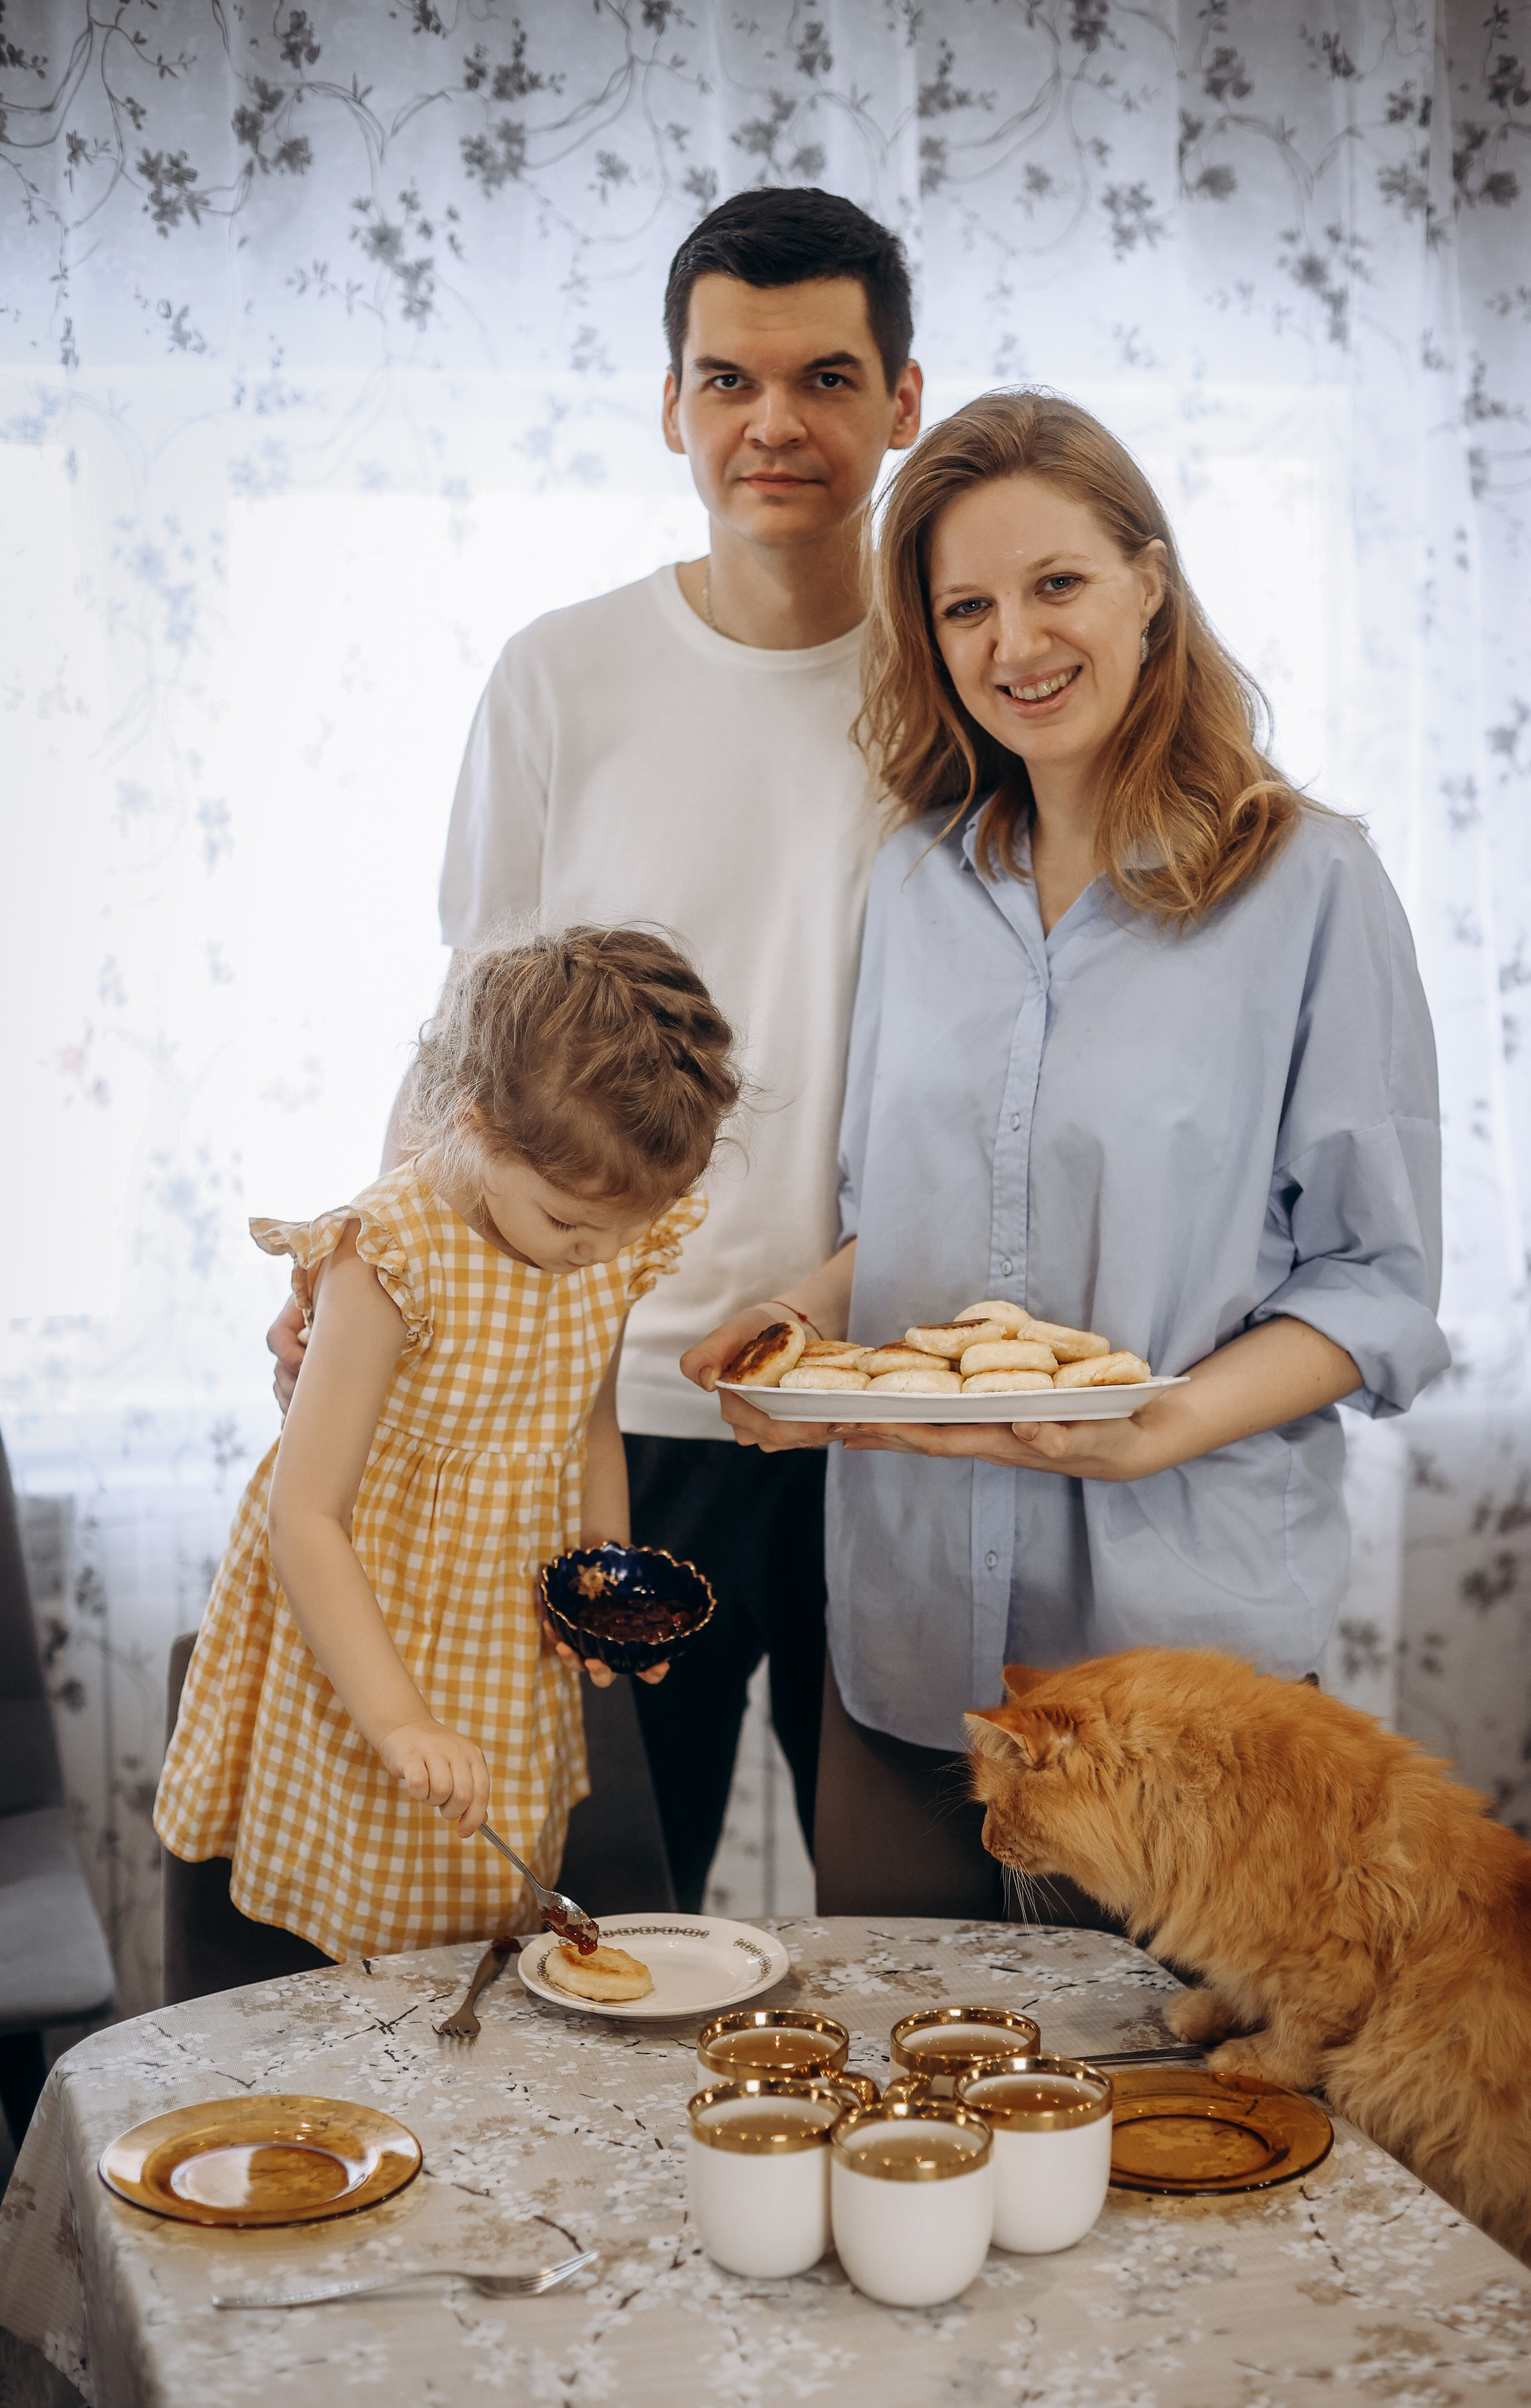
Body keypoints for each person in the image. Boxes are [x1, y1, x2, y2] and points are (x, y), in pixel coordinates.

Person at [686, 392, 1451, 1918]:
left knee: (1190, 2135)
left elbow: (1375, 1288)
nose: (1013, 642)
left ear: (1148, 586)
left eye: (1056, 585)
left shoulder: (1308, 885)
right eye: (965, 606)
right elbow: (893, 1226)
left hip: (1181, 1675)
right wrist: (794, 1329)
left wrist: (1155, 1428)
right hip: (910, 1666)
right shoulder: (912, 884)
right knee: (903, 2115)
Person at [266, 189, 923, 1913]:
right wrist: (359, 1252)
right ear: (672, 405)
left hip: (876, 1408)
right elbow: (465, 1030)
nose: (773, 423)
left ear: (902, 403)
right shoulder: (563, 676)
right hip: (604, 1412)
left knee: (905, 1922)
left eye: (825, 377)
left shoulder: (956, 692)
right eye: (727, 379)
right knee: (611, 1920)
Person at [157, 929, 740, 1971]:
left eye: (623, 1231)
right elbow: (306, 1517)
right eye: (570, 1223)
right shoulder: (392, 1255)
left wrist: (600, 1579)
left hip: (499, 1636)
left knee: (483, 1912)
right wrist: (401, 1724)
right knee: (374, 1911)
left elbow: (587, 1415)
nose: (599, 1257)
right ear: (477, 1129)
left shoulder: (600, 1237)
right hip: (367, 1634)